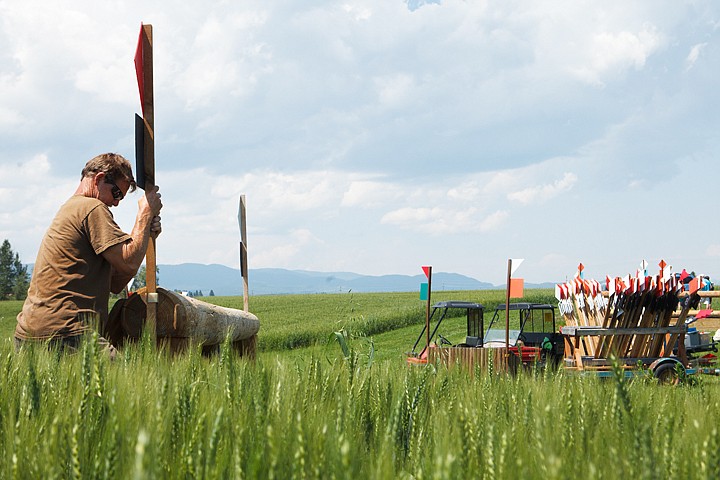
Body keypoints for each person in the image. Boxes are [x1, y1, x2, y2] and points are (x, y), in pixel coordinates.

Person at [15, 153, 162, 358]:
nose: (116, 203)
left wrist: (144, 234)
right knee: (129, 386)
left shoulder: (71, 208)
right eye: (117, 193)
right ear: (99, 179)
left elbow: (116, 282)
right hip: (67, 331)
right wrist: (145, 214)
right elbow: (128, 263)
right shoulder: (91, 207)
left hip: (31, 333)